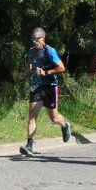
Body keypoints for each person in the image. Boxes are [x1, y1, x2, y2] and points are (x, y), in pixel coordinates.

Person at [18, 27, 72, 157]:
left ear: (43, 38)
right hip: (36, 87)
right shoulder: (31, 51)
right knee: (32, 116)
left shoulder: (50, 51)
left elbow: (61, 68)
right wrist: (24, 72)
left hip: (50, 87)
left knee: (54, 118)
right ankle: (29, 145)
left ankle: (64, 126)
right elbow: (29, 62)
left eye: (36, 39)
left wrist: (45, 72)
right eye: (32, 39)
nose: (34, 41)